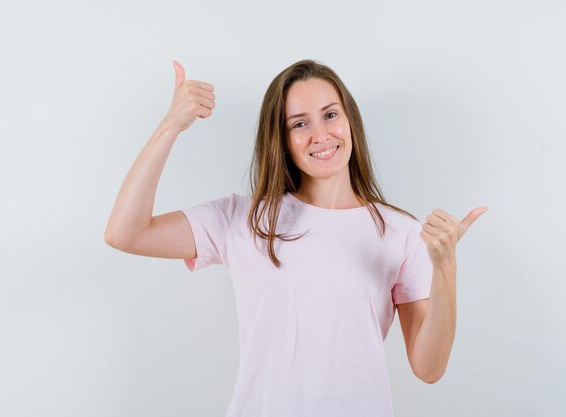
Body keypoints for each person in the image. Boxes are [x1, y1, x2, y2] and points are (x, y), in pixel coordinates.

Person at [104, 59, 488, 417]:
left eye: (330, 115)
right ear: (282, 139)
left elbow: (429, 368)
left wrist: (445, 268)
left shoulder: (400, 233)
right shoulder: (244, 218)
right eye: (299, 124)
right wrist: (170, 125)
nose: (321, 135)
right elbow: (125, 233)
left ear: (349, 120)